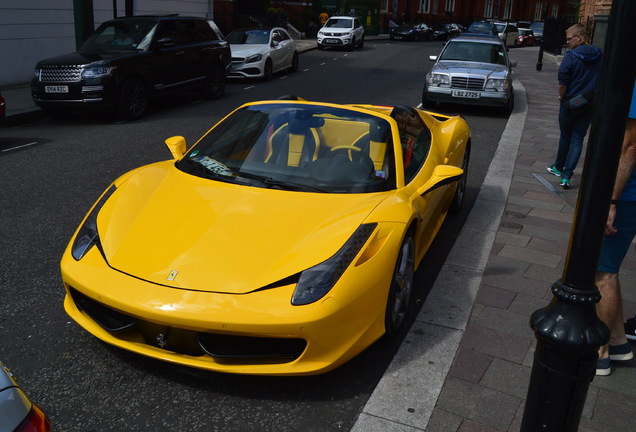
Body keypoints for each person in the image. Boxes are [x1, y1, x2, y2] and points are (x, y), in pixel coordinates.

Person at [595, 82, 636, 376]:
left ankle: (600, 353)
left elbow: (631, 143)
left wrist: (611, 200)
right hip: (629, 194)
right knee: (609, 267)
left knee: (602, 271)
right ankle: (619, 343)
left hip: (627, 194)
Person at [546, 23, 602, 189]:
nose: (567, 43)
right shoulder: (599, 54)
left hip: (570, 103)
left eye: (569, 39)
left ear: (580, 37)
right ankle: (566, 177)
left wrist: (561, 97)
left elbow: (562, 84)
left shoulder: (571, 57)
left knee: (566, 137)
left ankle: (558, 167)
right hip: (589, 103)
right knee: (578, 139)